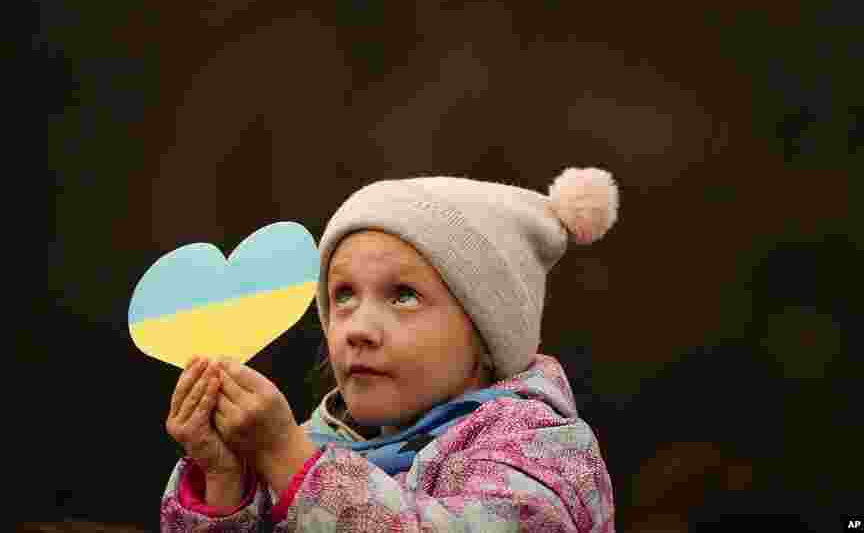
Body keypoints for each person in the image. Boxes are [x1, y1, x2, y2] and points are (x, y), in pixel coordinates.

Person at [162, 168, 619, 532]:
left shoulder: (542, 448)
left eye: (403, 295)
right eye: (343, 295)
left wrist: (287, 457)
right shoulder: (315, 444)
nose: (357, 329)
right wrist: (224, 481)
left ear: (486, 334)